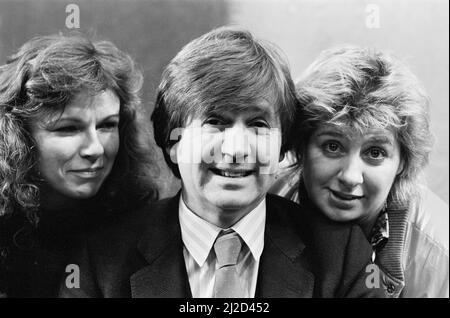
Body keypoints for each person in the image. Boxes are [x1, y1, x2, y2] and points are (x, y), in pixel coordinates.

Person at [60, 27, 385, 298]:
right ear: (173, 143)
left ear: (282, 146)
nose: (236, 150)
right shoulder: (99, 262)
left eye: (258, 125)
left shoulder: (340, 256)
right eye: (215, 122)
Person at [270, 45, 449, 298]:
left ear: (402, 162)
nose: (350, 177)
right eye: (333, 146)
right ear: (301, 147)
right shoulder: (267, 198)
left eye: (375, 153)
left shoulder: (440, 256)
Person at [0, 33, 158, 297]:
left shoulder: (140, 225)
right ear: (19, 137)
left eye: (107, 125)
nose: (95, 148)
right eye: (68, 129)